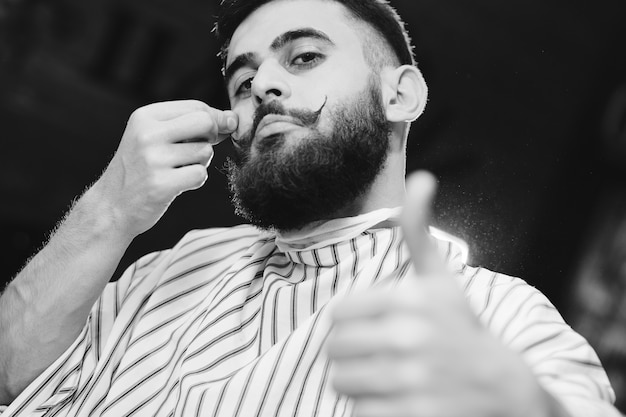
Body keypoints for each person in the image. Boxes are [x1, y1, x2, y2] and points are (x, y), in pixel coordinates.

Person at [0, 0, 620, 415]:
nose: (264, 84)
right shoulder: (168, 268)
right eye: (243, 81)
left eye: (304, 58)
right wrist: (110, 208)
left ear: (400, 94)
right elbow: (11, 377)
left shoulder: (488, 313)